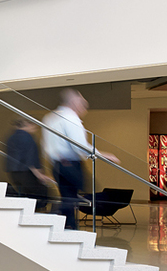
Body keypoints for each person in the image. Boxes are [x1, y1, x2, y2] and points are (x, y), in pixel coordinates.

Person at [42, 89, 118, 230]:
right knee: (85, 191)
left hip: (57, 165)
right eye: (83, 105)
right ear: (74, 103)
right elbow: (79, 145)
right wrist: (102, 154)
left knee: (68, 196)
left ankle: (70, 225)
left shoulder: (50, 117)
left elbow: (46, 145)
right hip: (70, 164)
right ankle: (57, 215)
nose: (84, 110)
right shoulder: (71, 119)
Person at [5, 117, 52, 210]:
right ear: (28, 125)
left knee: (25, 195)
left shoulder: (11, 137)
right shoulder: (27, 137)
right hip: (26, 172)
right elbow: (30, 158)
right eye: (34, 126)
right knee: (40, 194)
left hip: (14, 172)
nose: (35, 128)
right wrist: (39, 175)